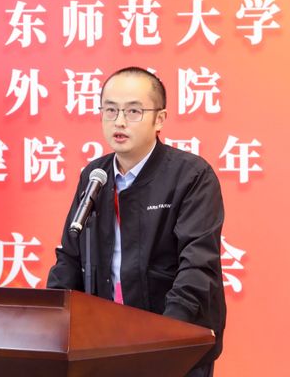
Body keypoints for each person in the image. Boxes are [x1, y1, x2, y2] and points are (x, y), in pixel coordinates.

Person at [47, 67, 226, 377]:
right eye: (110, 110)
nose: (119, 121)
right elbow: (70, 259)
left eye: (133, 111)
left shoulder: (191, 175)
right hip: (104, 343)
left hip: (174, 345)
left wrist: (164, 339)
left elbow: (197, 267)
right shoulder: (95, 176)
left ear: (159, 119)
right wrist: (50, 324)